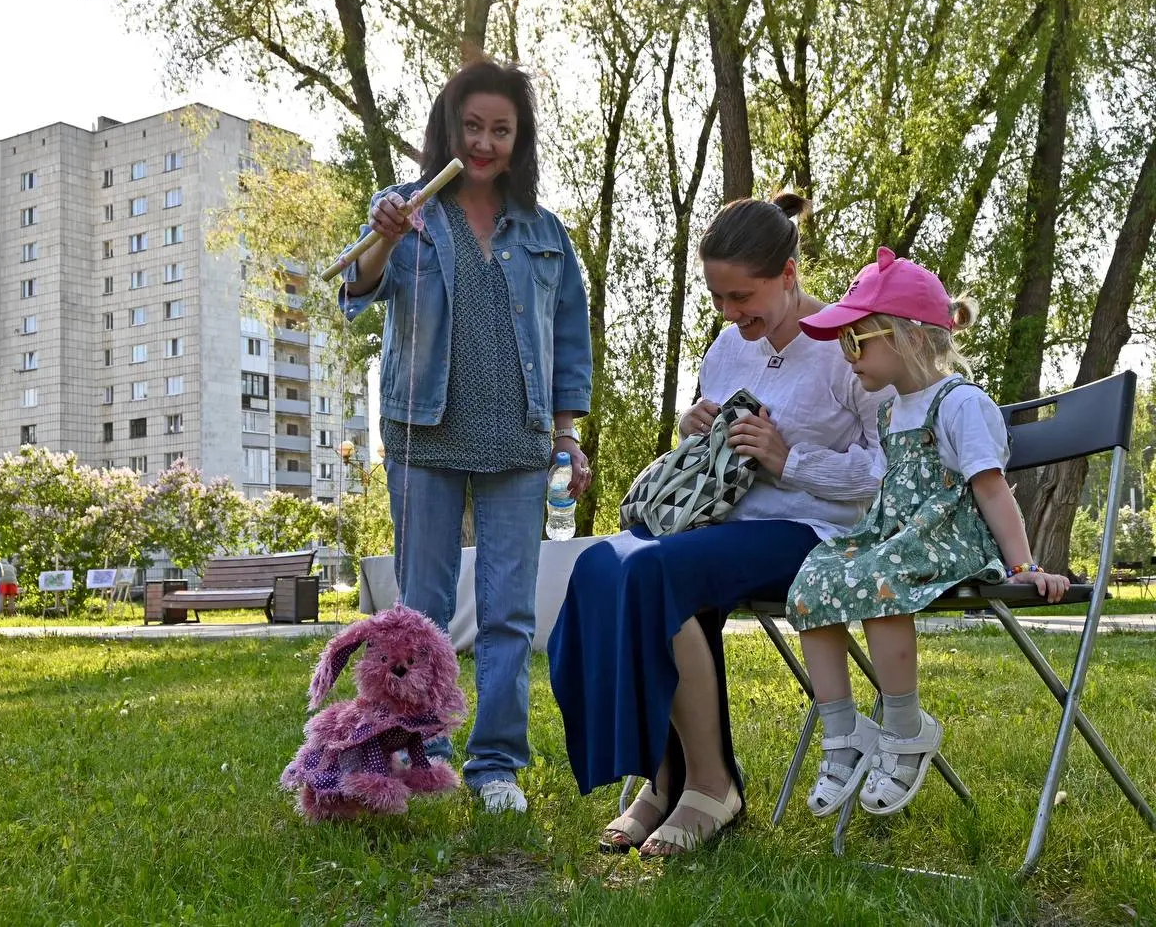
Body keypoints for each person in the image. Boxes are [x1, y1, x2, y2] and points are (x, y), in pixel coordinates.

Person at [549, 194, 887, 857]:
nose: (732, 315)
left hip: (812, 528)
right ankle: (664, 774)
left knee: (657, 570)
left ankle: (712, 783)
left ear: (789, 274)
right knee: (599, 563)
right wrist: (692, 428)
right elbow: (710, 456)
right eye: (719, 300)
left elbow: (888, 472)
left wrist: (793, 459)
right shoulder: (729, 349)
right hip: (721, 524)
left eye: (743, 297)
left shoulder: (850, 346)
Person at [338, 58, 594, 813]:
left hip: (518, 440)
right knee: (421, 608)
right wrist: (382, 238)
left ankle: (497, 766)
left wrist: (566, 435)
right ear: (448, 132)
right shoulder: (407, 211)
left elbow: (570, 343)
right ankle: (419, 752)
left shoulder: (546, 236)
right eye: (472, 127)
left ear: (520, 141)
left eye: (500, 130)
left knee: (510, 610)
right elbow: (359, 286)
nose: (484, 142)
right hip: (426, 431)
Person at [785, 247, 1070, 817]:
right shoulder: (891, 412)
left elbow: (991, 490)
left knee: (878, 577)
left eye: (856, 342)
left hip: (950, 536)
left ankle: (905, 726)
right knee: (813, 577)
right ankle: (844, 734)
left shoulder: (960, 403)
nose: (848, 357)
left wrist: (1024, 565)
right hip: (899, 534)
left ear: (909, 337)